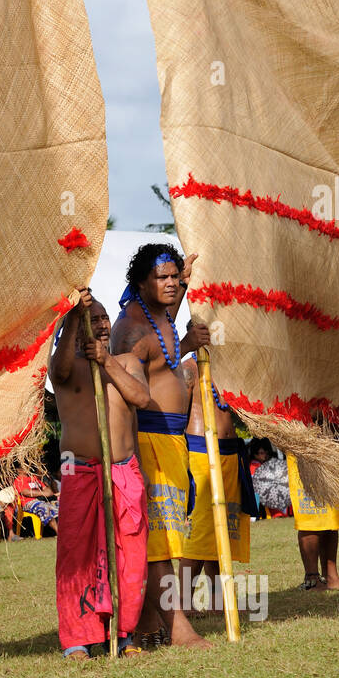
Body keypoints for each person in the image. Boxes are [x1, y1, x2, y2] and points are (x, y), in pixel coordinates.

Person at [109, 243, 210, 648]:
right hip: (146, 442)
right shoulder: (131, 328)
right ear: (141, 283)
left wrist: (185, 343)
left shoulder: (161, 315)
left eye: (174, 277)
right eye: (163, 278)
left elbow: (162, 359)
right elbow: (121, 389)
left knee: (169, 537)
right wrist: (128, 460)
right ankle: (178, 629)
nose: (172, 284)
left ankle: (149, 624)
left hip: (172, 443)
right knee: (158, 544)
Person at [49, 287, 152, 658]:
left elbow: (141, 399)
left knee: (128, 555)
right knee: (78, 556)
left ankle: (123, 635)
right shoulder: (65, 365)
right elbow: (57, 372)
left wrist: (107, 362)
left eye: (103, 318)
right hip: (81, 472)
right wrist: (74, 314)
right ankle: (78, 637)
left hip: (123, 472)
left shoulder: (127, 363)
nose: (101, 325)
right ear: (76, 328)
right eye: (93, 320)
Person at [181, 357, 256, 611]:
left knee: (220, 531)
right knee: (199, 531)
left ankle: (216, 600)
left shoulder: (229, 369)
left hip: (230, 453)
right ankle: (182, 600)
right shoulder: (189, 369)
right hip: (200, 453)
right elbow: (178, 413)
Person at [286, 444, 339, 590]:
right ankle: (311, 578)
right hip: (304, 448)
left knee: (331, 517)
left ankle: (331, 576)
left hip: (333, 448)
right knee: (311, 517)